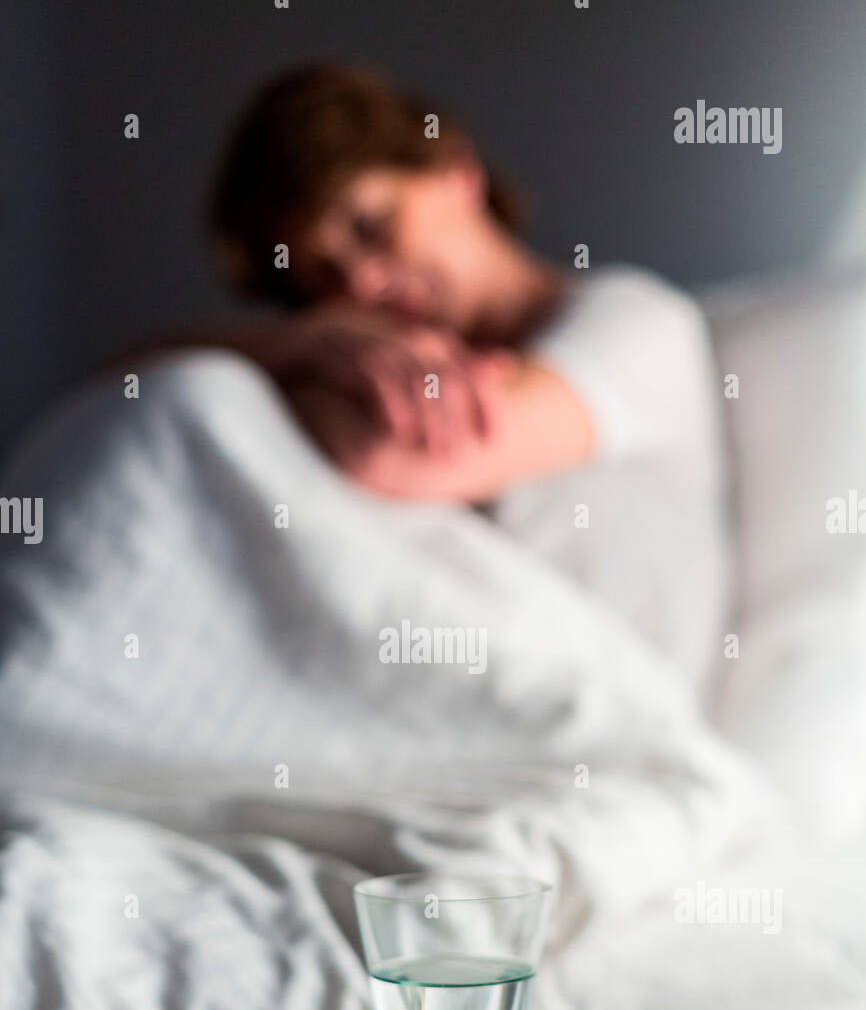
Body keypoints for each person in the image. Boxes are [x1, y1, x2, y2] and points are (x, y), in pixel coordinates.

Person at [122, 62, 728, 688]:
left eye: (371, 226)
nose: (361, 283)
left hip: (603, 714)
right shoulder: (351, 359)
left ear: (454, 172)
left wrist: (299, 372)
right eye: (324, 277)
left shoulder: (638, 320)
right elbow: (128, 383)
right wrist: (303, 342)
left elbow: (394, 453)